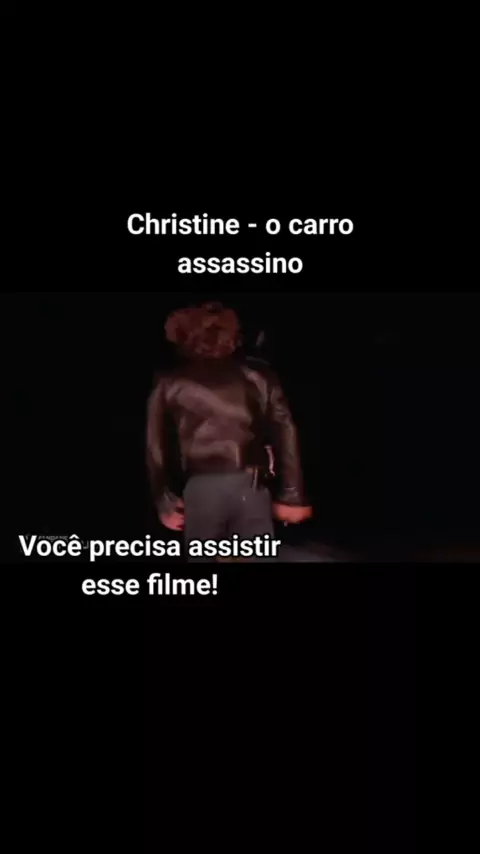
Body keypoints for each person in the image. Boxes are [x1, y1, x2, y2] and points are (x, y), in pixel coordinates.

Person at [146, 302, 312, 558]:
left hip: (202, 488)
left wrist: (163, 498)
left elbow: (154, 446)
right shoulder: (257, 375)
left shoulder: (169, 381)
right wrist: (292, 494)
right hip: (251, 486)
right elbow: (285, 432)